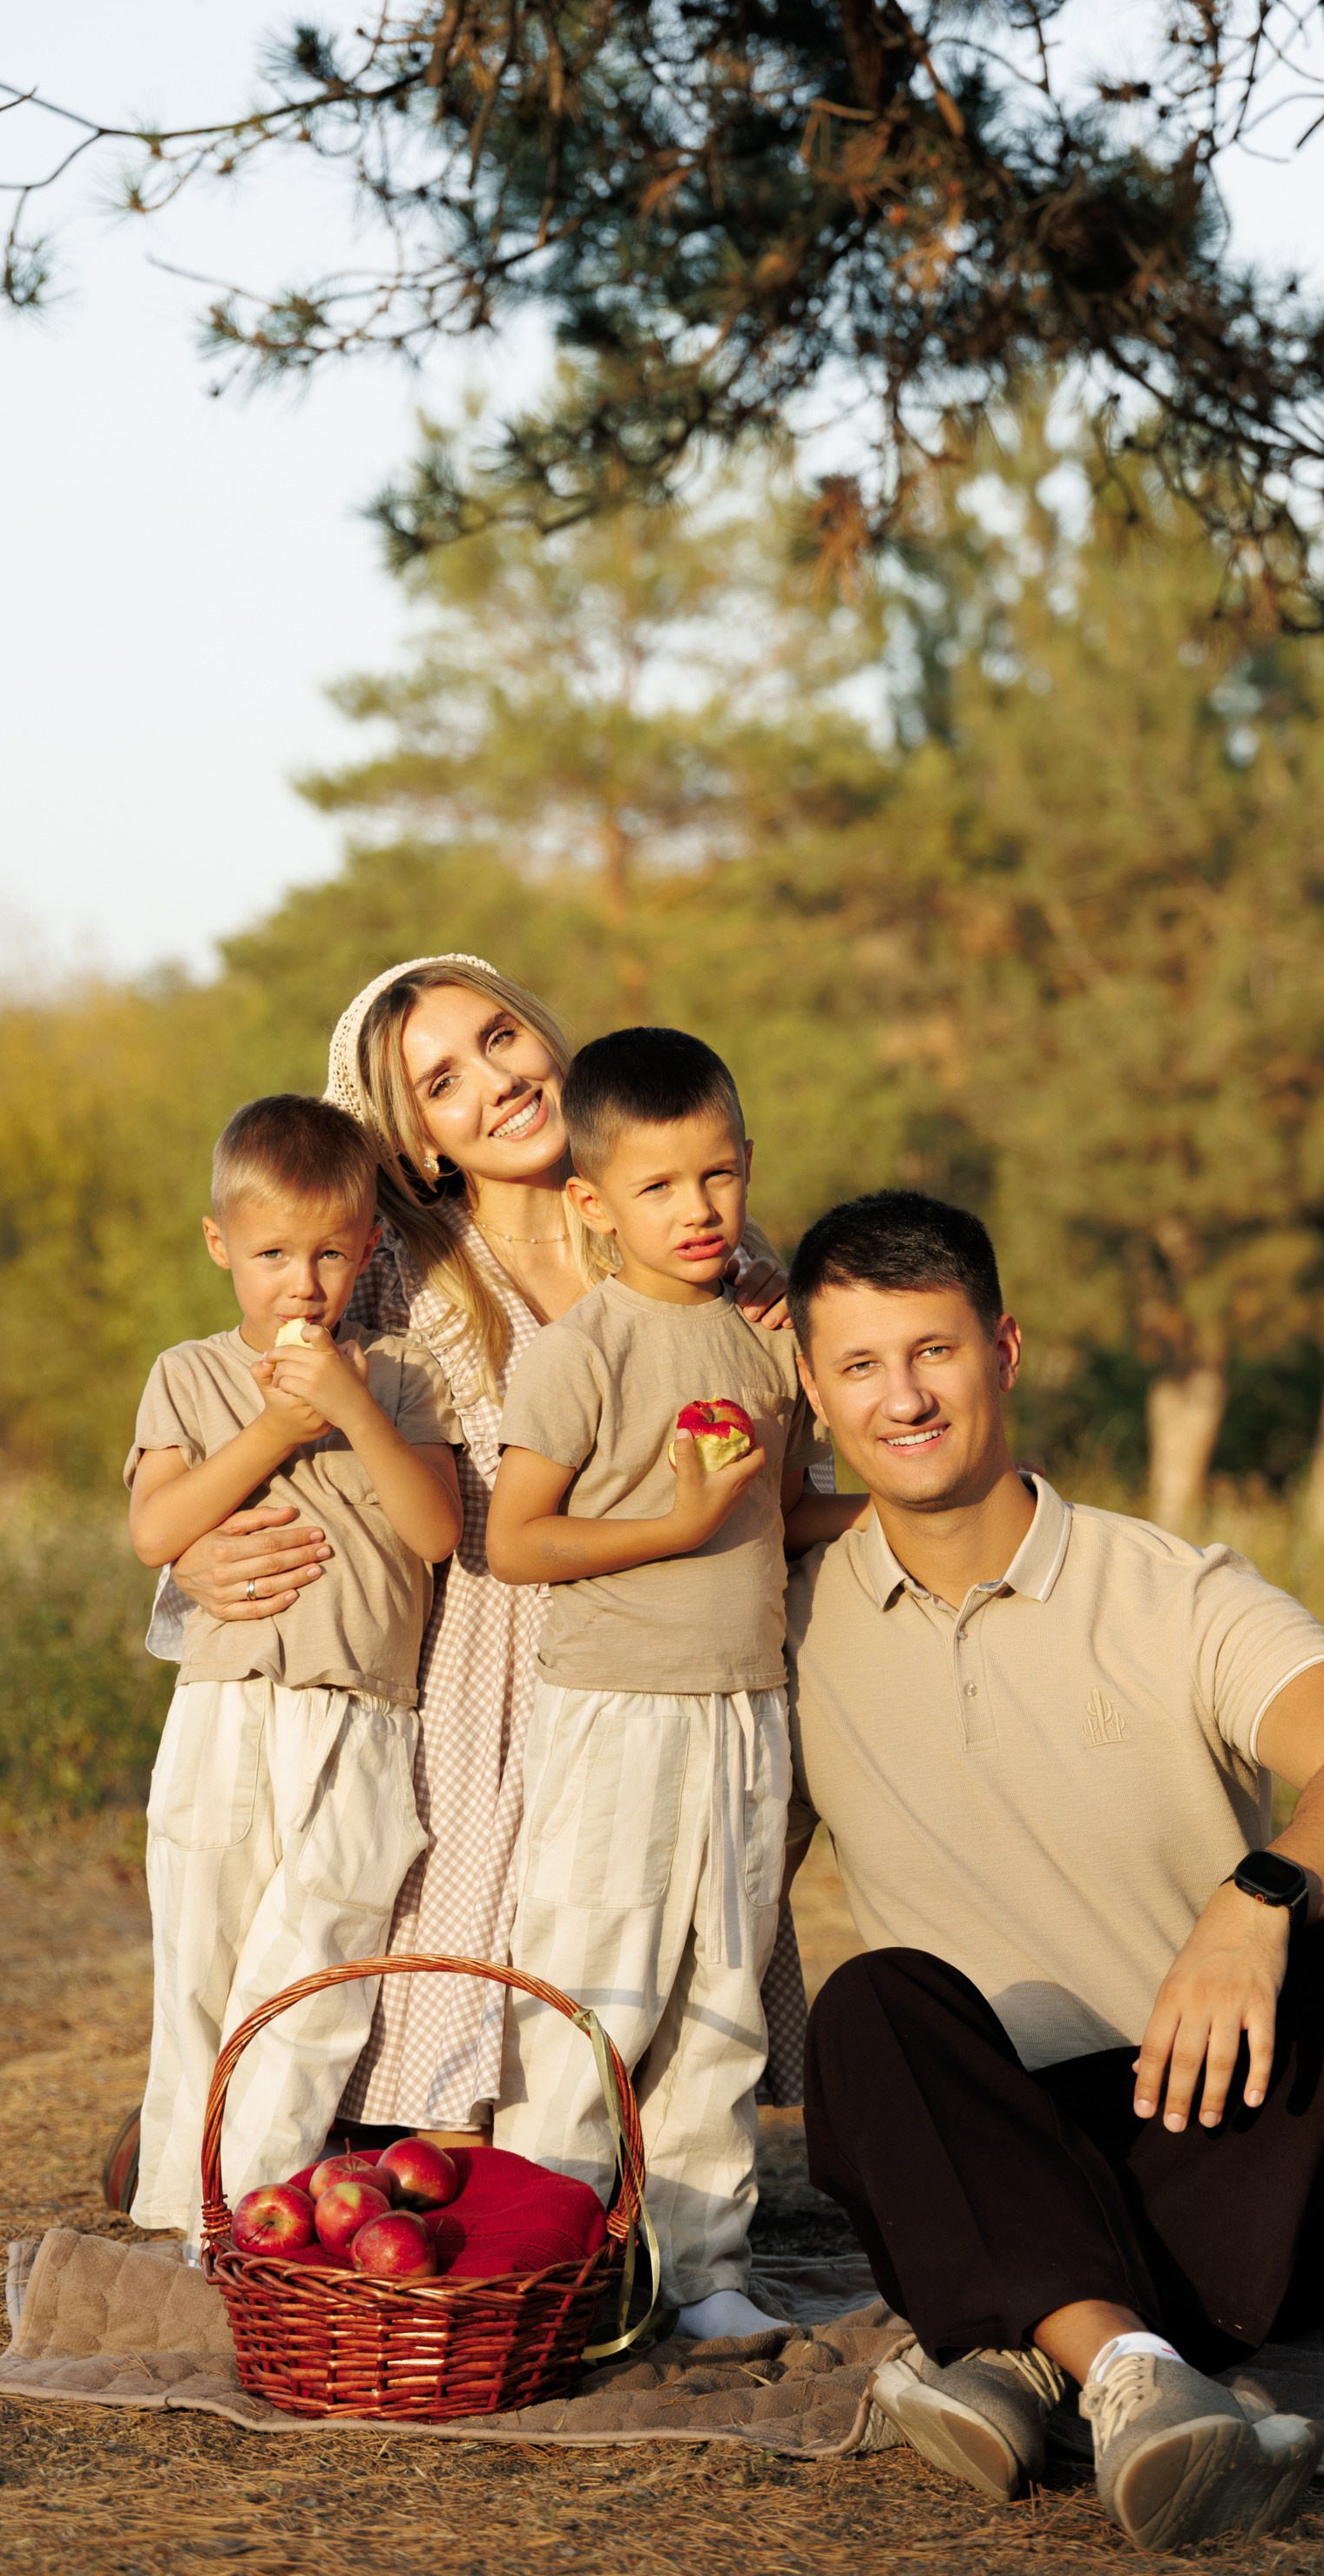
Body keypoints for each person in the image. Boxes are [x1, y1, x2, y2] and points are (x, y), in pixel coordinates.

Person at [781, 1190, 1324, 2550]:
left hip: (1217, 2145)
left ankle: (1024, 2353)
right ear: (813, 1391)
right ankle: (1131, 2371)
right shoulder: (792, 1625)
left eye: (933, 1351)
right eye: (859, 1364)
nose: (901, 1397)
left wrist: (1253, 1904)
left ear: (1003, 1353)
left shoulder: (1175, 1591)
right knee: (869, 2006)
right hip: (979, 2146)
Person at [152, 956, 809, 2150]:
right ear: (415, 1142)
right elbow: (267, 1409)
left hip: (663, 1657)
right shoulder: (391, 1272)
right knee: (455, 2026)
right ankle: (376, 2158)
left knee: (650, 1969)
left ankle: (633, 2184)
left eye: (500, 1038)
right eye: (441, 1082)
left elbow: (782, 1459)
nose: (495, 1081)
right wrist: (188, 1559)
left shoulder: (694, 1231)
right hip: (476, 1668)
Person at [485, 1028, 863, 2336]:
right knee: (597, 1983)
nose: (695, 1209)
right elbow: (515, 1541)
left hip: (745, 1708)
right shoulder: (580, 1351)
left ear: (747, 1162)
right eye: (656, 1186)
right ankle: (545, 2264)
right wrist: (673, 1524)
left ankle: (704, 2272)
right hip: (618, 1713)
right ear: (592, 1204)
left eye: (716, 1176)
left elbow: (783, 1517)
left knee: (720, 1993)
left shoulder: (763, 1350)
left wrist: (916, 1508)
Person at [125, 1093, 463, 2243]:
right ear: (219, 1245)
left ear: (368, 1249)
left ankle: (250, 2215)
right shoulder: (187, 1375)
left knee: (317, 1964)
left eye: (329, 1254)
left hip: (363, 1719)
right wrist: (273, 1431)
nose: (303, 1285)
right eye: (272, 1254)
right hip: (225, 1712)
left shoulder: (401, 1373)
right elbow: (155, 1529)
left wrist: (350, 1409)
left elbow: (435, 1532)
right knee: (203, 1957)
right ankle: (185, 2215)